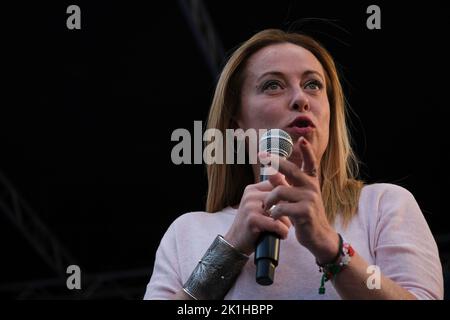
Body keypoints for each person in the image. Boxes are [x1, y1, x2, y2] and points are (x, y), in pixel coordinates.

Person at [144, 29, 443, 300]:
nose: (301, 99)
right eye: (273, 85)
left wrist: (331, 248)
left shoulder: (382, 206)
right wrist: (230, 248)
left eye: (313, 85)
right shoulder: (188, 232)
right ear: (236, 122)